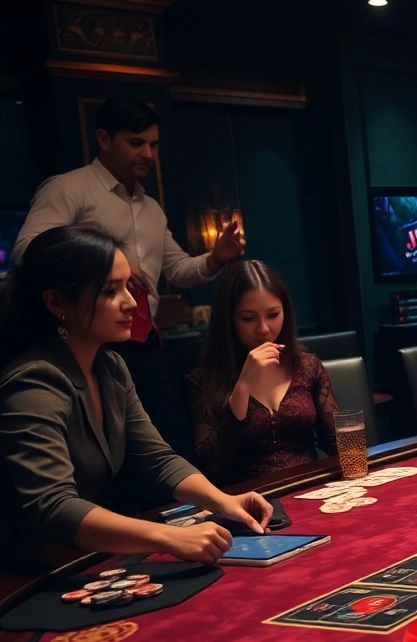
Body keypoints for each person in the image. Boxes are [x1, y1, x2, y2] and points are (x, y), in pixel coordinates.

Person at [0, 226, 271, 570]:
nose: (131, 302)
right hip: (26, 577)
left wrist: (223, 500)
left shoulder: (111, 367)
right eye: (111, 291)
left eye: (129, 286)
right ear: (56, 303)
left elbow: (158, 459)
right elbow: (54, 507)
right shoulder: (34, 381)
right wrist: (167, 536)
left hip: (79, 556)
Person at [13, 97, 246, 456]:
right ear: (104, 139)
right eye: (136, 143)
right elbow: (28, 251)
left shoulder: (151, 208)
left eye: (153, 144)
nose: (148, 154)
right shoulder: (69, 189)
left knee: (160, 445)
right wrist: (105, 262)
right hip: (89, 343)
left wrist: (216, 258)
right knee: (105, 451)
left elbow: (179, 271)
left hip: (146, 342)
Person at [186, 261, 338, 486]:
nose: (264, 328)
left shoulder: (308, 367)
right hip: (250, 504)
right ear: (228, 320)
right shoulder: (203, 381)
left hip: (312, 492)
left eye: (273, 314)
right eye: (248, 318)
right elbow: (210, 468)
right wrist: (243, 386)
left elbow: (338, 445)